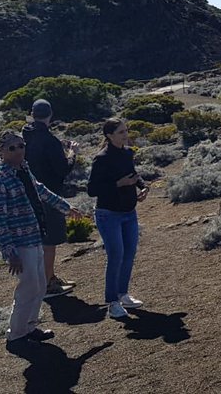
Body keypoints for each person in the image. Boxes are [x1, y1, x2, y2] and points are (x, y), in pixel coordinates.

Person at [0, 131, 83, 349]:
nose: (19, 150)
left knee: (39, 285)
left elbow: (40, 190)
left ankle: (29, 327)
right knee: (28, 286)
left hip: (35, 235)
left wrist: (66, 207)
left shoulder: (23, 168)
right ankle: (16, 334)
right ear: (1, 151)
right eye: (12, 147)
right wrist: (10, 253)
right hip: (20, 242)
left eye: (21, 145)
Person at [88, 118, 148, 319]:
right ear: (109, 135)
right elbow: (92, 189)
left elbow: (133, 173)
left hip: (129, 212)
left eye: (126, 131)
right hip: (108, 214)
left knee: (129, 253)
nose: (125, 135)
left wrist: (142, 186)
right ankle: (112, 302)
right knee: (116, 256)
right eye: (121, 132)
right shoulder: (102, 158)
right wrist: (118, 184)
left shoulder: (127, 153)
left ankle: (123, 294)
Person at [22, 99, 79, 299]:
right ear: (50, 115)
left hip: (28, 195)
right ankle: (47, 285)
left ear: (32, 113)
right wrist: (72, 152)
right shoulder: (49, 140)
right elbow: (63, 169)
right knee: (49, 242)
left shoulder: (24, 135)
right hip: (48, 195)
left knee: (38, 242)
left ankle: (49, 277)